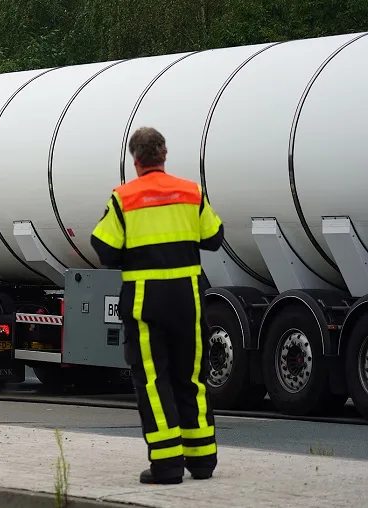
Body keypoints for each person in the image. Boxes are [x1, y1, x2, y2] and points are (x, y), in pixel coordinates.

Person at [90, 126, 224, 485]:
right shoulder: (190, 192)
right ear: (164, 155)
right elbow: (214, 238)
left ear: (135, 161)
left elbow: (103, 249)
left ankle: (166, 466)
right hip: (188, 296)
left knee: (153, 379)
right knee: (192, 377)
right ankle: (202, 460)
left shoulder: (124, 198)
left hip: (146, 299)